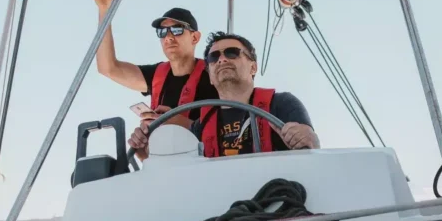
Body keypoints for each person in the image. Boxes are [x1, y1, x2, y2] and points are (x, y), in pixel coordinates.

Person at [129, 31, 318, 158]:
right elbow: (175, 172)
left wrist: (305, 137)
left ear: (253, 67)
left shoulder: (282, 104)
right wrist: (143, 149)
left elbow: (311, 146)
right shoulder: (200, 127)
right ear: (210, 76)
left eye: (232, 53)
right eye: (214, 57)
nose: (222, 59)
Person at [92, 0, 218, 146]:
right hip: (162, 160)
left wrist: (175, 122)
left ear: (195, 37)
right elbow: (108, 68)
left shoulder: (215, 74)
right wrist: (105, 10)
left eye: (176, 29)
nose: (168, 37)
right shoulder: (157, 75)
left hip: (208, 159)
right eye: (162, 32)